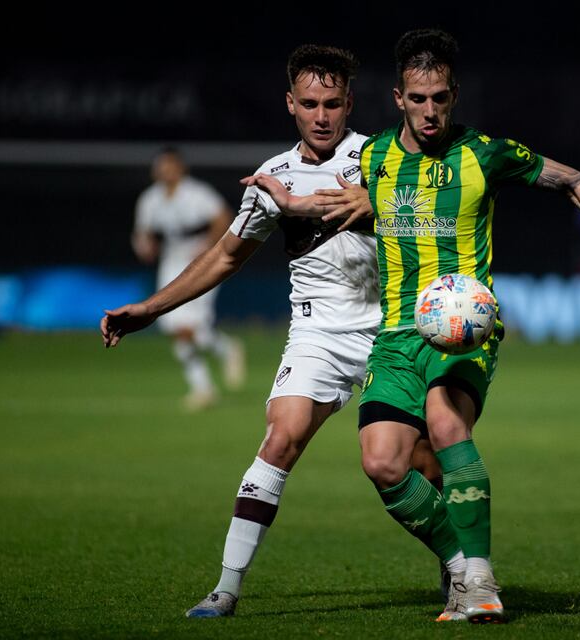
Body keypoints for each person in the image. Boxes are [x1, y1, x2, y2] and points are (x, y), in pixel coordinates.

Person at [243, 28, 580, 624]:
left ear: (454, 96)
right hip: (397, 336)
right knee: (383, 462)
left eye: (440, 98)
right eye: (418, 98)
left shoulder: (485, 154)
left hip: (464, 328)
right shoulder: (373, 159)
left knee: (445, 421)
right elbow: (348, 207)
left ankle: (482, 581)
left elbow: (574, 180)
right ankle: (460, 566)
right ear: (398, 96)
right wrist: (290, 205)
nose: (429, 111)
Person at [102, 44, 444, 619]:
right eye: (309, 103)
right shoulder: (273, 177)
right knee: (278, 439)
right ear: (290, 104)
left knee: (418, 459)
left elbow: (434, 218)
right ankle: (227, 588)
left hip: (393, 328)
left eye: (332, 103)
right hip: (319, 335)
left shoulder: (383, 158)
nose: (321, 115)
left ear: (349, 103)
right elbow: (224, 257)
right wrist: (153, 308)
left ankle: (455, 559)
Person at [132, 147, 246, 410]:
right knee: (172, 326)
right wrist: (144, 245)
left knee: (190, 325)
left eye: (170, 165)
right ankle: (210, 374)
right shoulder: (150, 200)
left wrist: (208, 244)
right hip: (171, 260)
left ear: (180, 167)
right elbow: (143, 233)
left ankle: (212, 370)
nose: (166, 171)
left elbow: (224, 218)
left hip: (202, 261)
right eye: (161, 166)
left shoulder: (197, 193)